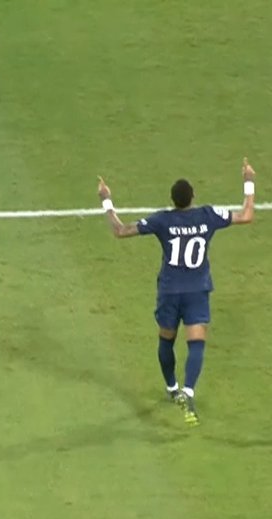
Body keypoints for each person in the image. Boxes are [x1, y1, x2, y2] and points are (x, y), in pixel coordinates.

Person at [97, 160, 257, 426]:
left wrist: (106, 200)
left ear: (172, 201)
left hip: (170, 291)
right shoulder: (207, 215)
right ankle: (188, 390)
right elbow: (246, 215)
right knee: (196, 343)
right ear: (193, 197)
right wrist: (249, 181)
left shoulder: (163, 220)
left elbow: (120, 230)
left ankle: (172, 388)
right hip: (197, 291)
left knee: (166, 341)